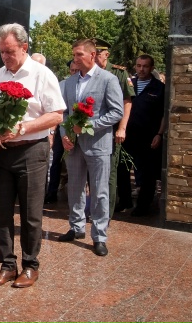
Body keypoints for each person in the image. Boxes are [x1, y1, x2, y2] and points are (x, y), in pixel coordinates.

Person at [0, 23, 66, 288]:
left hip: (32, 150)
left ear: (24, 47)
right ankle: (7, 265)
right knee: (2, 211)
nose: (5, 57)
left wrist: (23, 127)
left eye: (9, 51)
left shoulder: (42, 74)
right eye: (1, 52)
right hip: (3, 152)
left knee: (31, 213)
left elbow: (56, 115)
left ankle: (30, 266)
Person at [58, 39, 123, 257]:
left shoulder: (108, 79)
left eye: (79, 55)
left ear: (92, 55)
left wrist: (88, 126)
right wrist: (64, 134)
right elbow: (63, 112)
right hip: (73, 145)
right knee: (74, 188)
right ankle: (76, 227)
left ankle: (99, 236)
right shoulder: (69, 82)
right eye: (74, 55)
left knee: (99, 191)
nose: (75, 59)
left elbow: (116, 112)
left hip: (98, 144)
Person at [117, 54, 165, 216]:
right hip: (127, 134)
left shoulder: (159, 88)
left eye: (145, 66)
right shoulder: (129, 84)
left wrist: (159, 134)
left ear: (152, 68)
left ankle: (143, 206)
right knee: (122, 168)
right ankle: (125, 201)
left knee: (147, 173)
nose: (141, 69)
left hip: (148, 136)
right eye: (138, 66)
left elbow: (164, 114)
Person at [93, 38, 136, 217]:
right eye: (92, 53)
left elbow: (127, 101)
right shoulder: (89, 72)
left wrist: (122, 128)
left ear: (106, 54)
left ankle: (105, 214)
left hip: (112, 130)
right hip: (93, 129)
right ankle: (95, 208)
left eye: (98, 53)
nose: (94, 57)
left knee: (110, 172)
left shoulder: (119, 73)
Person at [44, 60, 80, 204]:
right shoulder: (62, 84)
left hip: (80, 128)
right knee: (56, 160)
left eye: (77, 70)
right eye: (72, 70)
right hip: (62, 127)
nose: (74, 73)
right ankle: (52, 192)